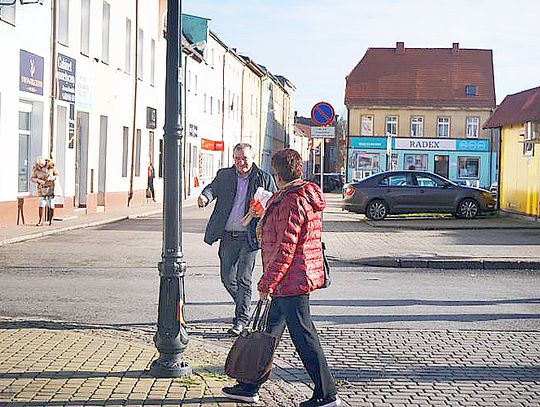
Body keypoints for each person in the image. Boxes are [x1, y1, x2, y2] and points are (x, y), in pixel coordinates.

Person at [222, 149, 341, 407]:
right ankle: (248, 386)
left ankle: (326, 393)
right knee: (268, 332)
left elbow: (286, 246)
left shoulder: (292, 201)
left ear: (278, 173)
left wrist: (268, 282)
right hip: (291, 277)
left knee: (304, 336)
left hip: (291, 279)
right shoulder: (293, 195)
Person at [198, 143, 277, 336]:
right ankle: (244, 305)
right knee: (227, 277)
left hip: (250, 237)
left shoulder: (263, 178)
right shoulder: (224, 175)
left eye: (244, 159)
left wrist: (264, 210)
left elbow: (275, 202)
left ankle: (240, 320)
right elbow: (211, 189)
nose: (241, 162)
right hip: (228, 235)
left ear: (253, 157)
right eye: (237, 158)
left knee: (243, 278)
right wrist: (205, 197)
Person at [31, 156, 58, 226]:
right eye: (39, 165)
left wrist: (52, 178)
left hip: (50, 188)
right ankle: (40, 220)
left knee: (51, 204)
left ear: (45, 162)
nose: (41, 166)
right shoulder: (36, 169)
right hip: (41, 189)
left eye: (42, 164)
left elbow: (57, 175)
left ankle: (51, 220)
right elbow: (32, 178)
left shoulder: (51, 167)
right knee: (41, 204)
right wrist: (38, 180)